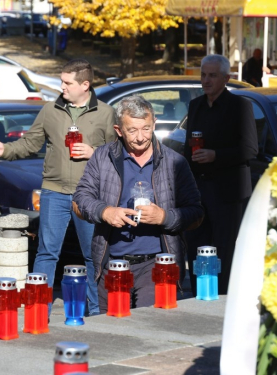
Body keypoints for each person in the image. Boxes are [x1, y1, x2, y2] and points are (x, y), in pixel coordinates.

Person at [0, 59, 117, 316]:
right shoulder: (50, 110)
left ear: (85, 85)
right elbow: (29, 144)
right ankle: (38, 309)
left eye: (67, 83)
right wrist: (4, 150)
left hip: (89, 195)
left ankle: (96, 314)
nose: (61, 87)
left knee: (93, 255)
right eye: (61, 81)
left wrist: (95, 152)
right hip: (54, 191)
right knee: (47, 253)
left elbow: (118, 154)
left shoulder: (105, 113)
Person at [73, 95, 204, 313]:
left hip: (157, 265)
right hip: (112, 263)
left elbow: (196, 213)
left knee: (150, 328)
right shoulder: (102, 157)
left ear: (154, 124)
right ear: (118, 130)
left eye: (146, 128)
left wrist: (164, 217)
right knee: (113, 333)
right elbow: (81, 198)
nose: (141, 137)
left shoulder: (175, 162)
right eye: (132, 130)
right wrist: (105, 212)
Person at [184, 54, 258, 296]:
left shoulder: (240, 106)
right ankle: (199, 298)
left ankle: (222, 302)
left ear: (226, 78)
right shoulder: (195, 105)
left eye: (212, 76)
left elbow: (250, 149)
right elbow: (188, 146)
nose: (206, 80)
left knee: (223, 252)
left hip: (228, 193)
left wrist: (216, 155)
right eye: (203, 75)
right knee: (196, 248)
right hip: (199, 191)